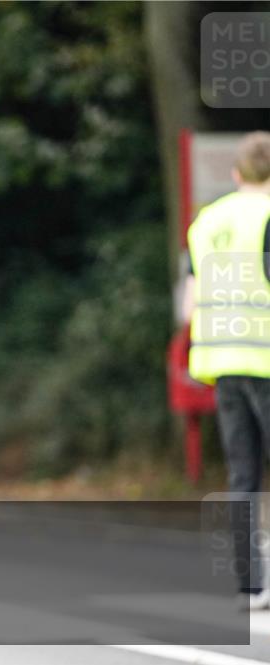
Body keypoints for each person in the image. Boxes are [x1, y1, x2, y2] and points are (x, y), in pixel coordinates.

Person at [184, 131, 270, 610]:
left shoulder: (207, 222)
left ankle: (252, 584)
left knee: (243, 473)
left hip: (222, 361)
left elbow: (192, 296)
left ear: (237, 174)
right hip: (267, 358)